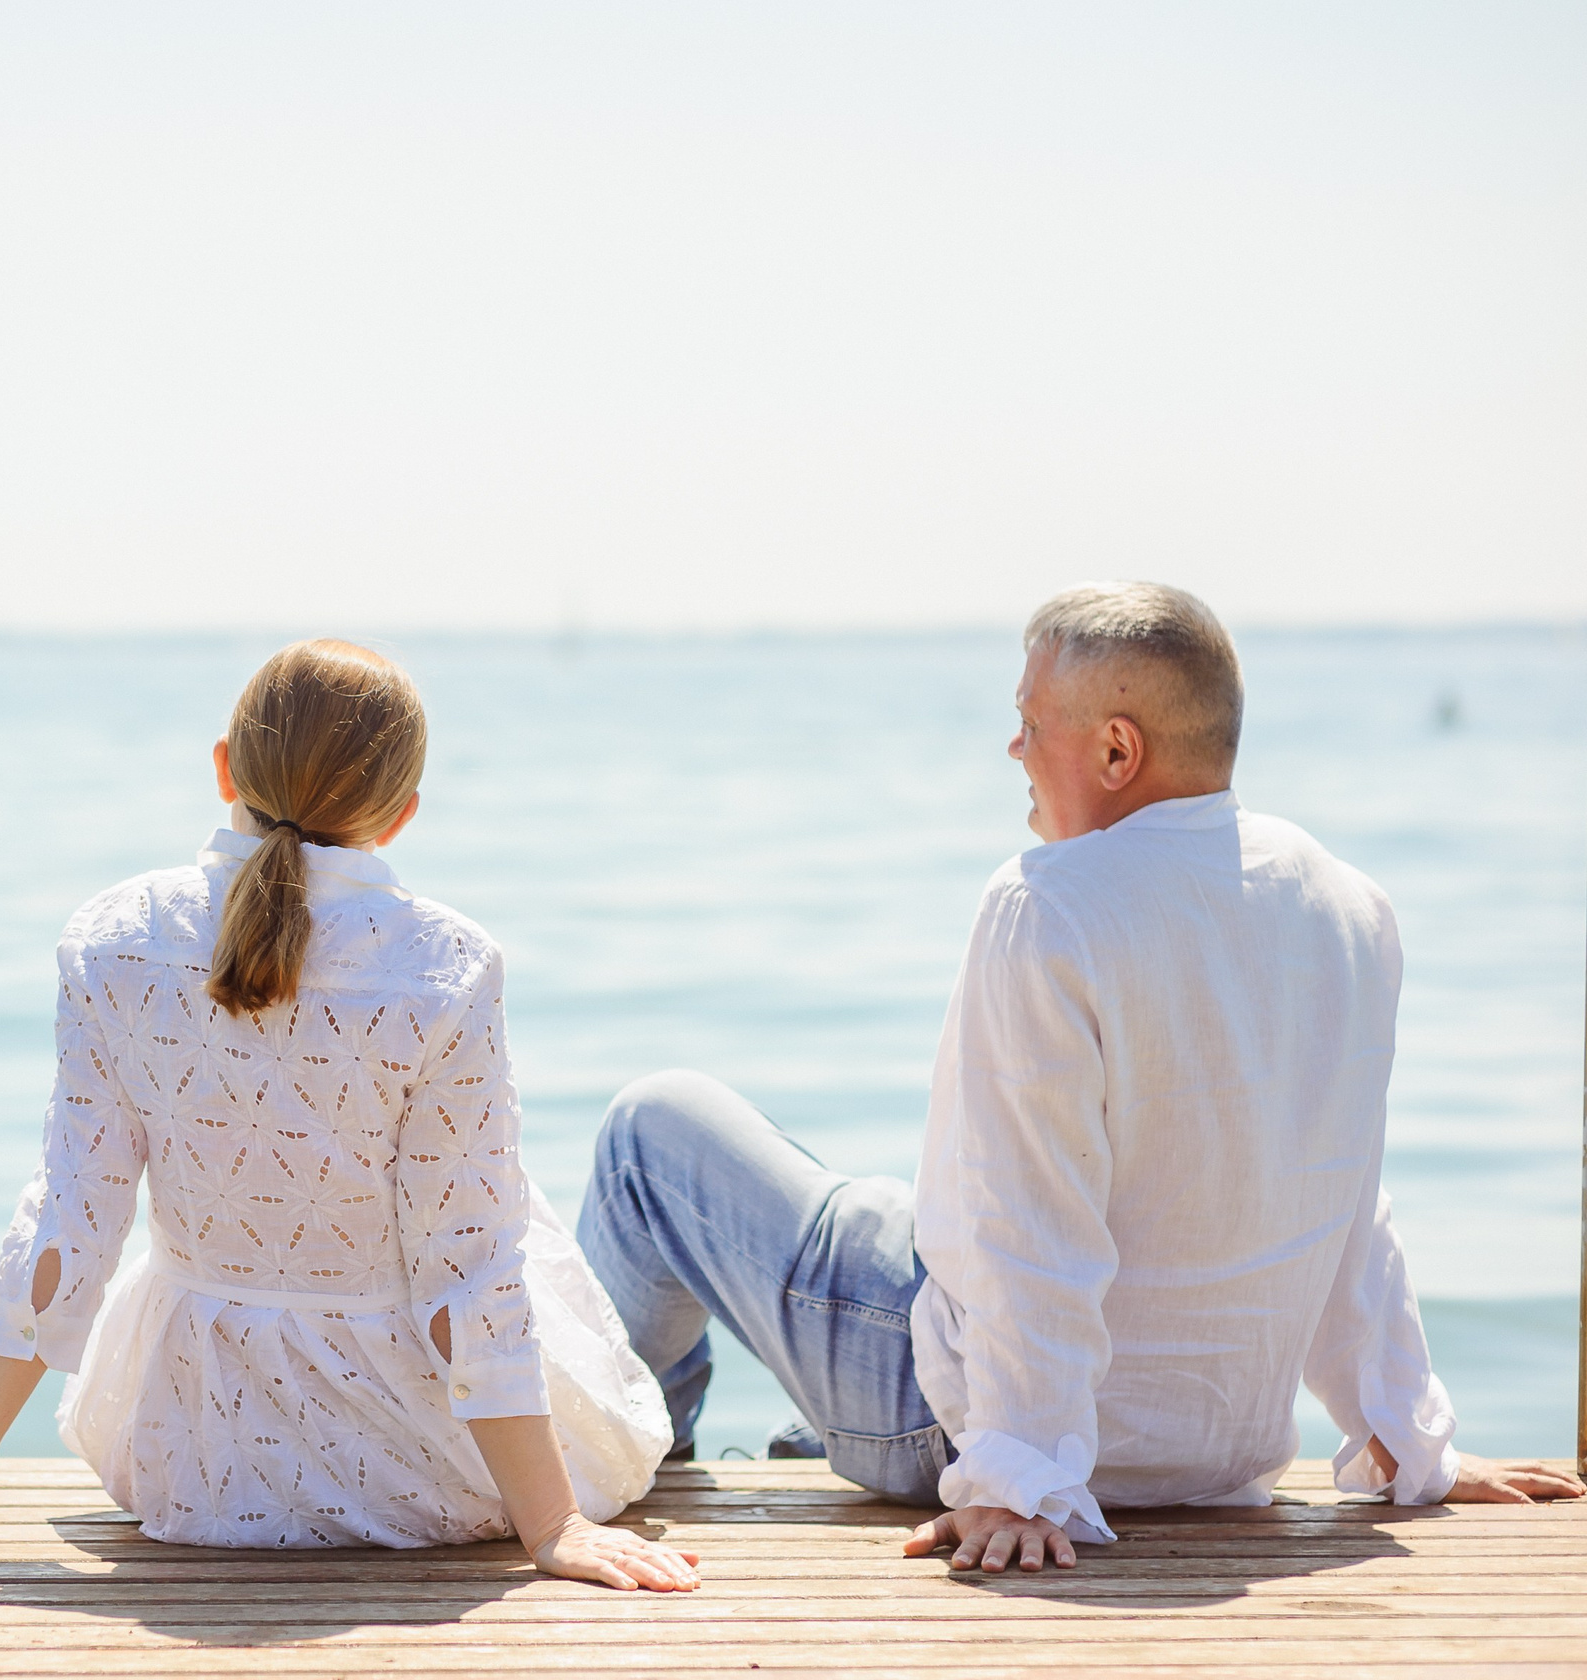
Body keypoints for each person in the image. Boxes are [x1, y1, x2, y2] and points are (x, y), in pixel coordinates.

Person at [575, 582, 1584, 1577]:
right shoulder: (1350, 907)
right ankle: (807, 1439)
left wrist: (1016, 1479)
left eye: (1027, 721)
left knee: (650, 1130)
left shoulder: (1046, 904)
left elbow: (1027, 1224)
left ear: (1115, 749)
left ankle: (608, 1470)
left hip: (1000, 1438)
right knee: (890, 1207)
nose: (1012, 748)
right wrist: (1411, 1441)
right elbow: (1345, 1203)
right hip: (1216, 1456)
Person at [0, 639, 694, 1590]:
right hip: (430, 1472)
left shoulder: (113, 940)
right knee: (503, 1205)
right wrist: (552, 1523)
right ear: (402, 815)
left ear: (223, 768)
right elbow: (472, 1260)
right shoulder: (445, 966)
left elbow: (68, 1226)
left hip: (194, 1459)